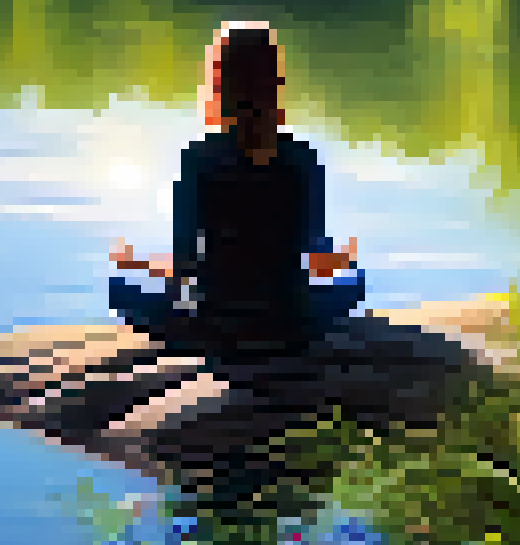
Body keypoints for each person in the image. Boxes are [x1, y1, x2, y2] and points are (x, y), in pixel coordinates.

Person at [108, 21, 363, 352]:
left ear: (217, 84)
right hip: (292, 323)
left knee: (119, 284)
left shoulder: (198, 157)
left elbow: (185, 264)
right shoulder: (303, 158)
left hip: (216, 322)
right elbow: (315, 256)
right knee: (355, 280)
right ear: (275, 82)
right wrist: (343, 258)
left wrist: (156, 289)